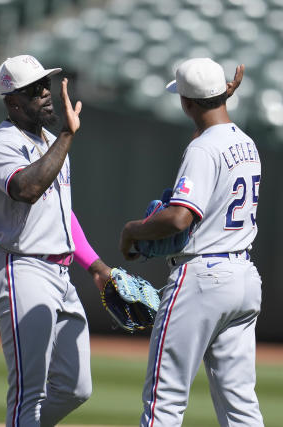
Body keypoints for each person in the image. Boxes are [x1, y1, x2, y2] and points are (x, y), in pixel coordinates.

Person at [119, 58, 262, 426]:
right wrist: (217, 98)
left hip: (202, 278)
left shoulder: (202, 149)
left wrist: (134, 229)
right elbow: (213, 135)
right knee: (240, 406)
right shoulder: (246, 142)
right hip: (244, 277)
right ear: (222, 95)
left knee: (163, 401)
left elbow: (181, 217)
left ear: (186, 103)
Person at [0, 54, 114, 426]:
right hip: (21, 269)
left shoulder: (52, 142)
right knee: (29, 393)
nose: (44, 92)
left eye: (45, 85)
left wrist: (96, 266)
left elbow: (62, 215)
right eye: (32, 89)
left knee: (75, 387)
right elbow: (26, 188)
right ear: (12, 101)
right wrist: (69, 136)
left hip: (60, 273)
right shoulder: (2, 143)